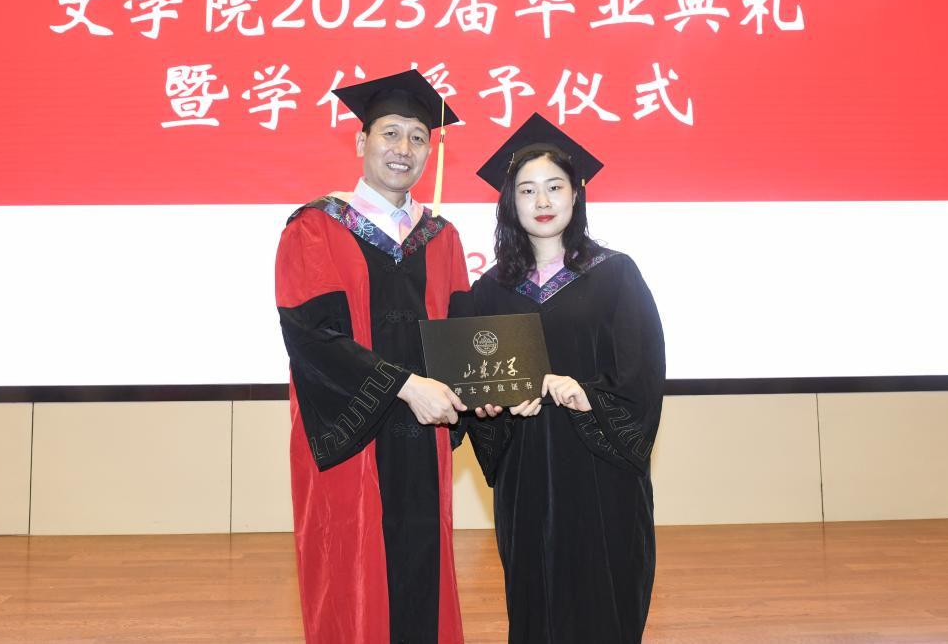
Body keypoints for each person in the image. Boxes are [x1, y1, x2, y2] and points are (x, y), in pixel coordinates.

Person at [453, 112, 666, 643]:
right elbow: (478, 392)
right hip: (526, 473)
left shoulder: (615, 274)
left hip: (599, 471)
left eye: (555, 186)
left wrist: (586, 393)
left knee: (603, 594)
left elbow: (642, 374)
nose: (542, 201)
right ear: (511, 202)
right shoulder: (489, 291)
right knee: (534, 595)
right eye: (527, 190)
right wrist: (491, 409)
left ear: (577, 194)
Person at [275, 69, 471, 644]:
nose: (403, 148)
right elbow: (313, 340)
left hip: (424, 442)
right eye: (390, 133)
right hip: (352, 440)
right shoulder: (315, 226)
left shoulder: (442, 237)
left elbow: (462, 338)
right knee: (352, 580)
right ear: (362, 141)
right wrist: (407, 386)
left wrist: (482, 393)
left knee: (424, 572)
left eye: (418, 137)